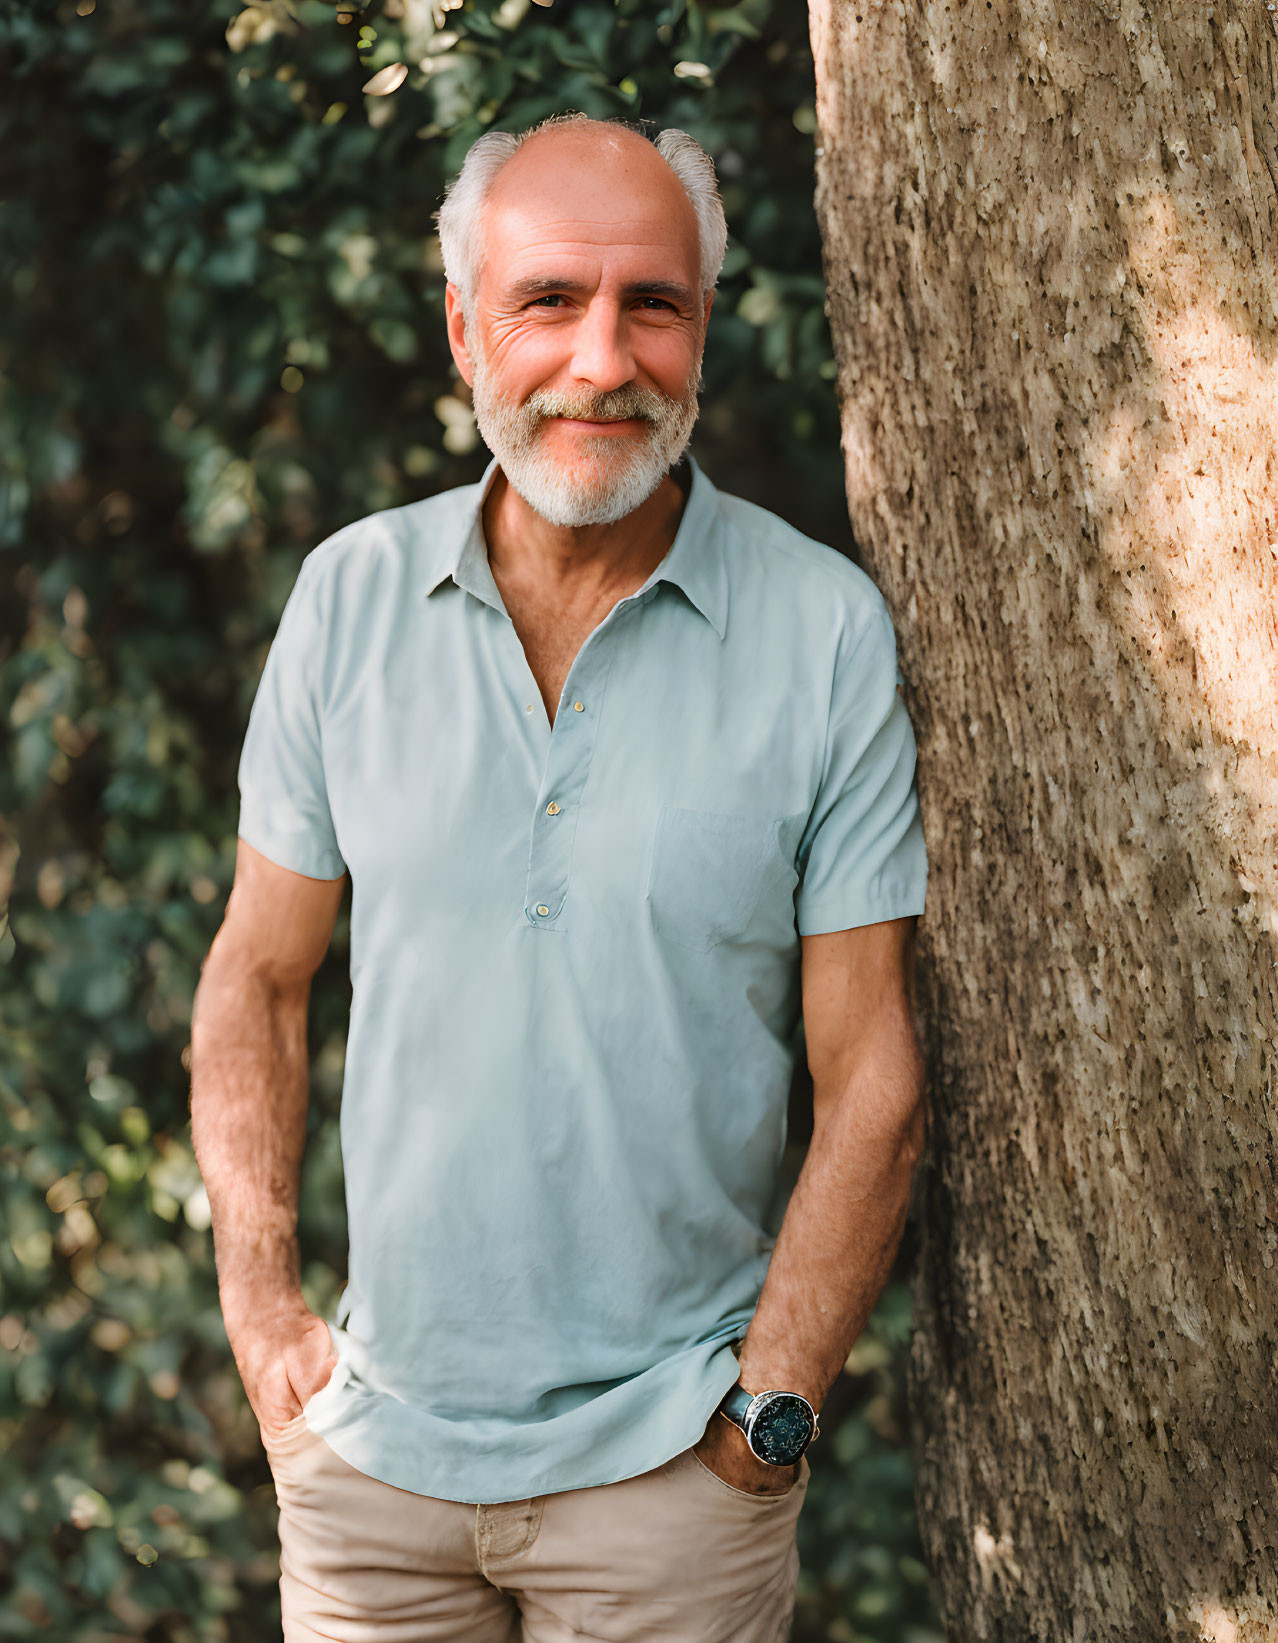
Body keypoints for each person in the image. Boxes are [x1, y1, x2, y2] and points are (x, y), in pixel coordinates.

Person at [190, 112, 928, 1643]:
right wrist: (262, 1319)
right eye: (548, 301)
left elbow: (874, 1077)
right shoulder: (348, 602)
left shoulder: (821, 631)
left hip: (675, 1478)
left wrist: (768, 1417)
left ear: (703, 327)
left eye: (650, 303)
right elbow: (257, 979)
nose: (603, 359)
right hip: (370, 1477)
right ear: (465, 327)